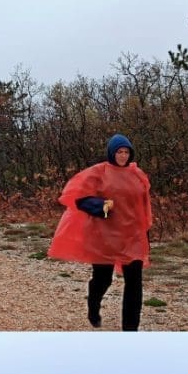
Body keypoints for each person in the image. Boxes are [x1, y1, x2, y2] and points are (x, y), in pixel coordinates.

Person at [48, 134, 152, 331]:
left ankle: (130, 331)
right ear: (112, 153)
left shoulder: (137, 174)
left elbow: (143, 205)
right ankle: (93, 306)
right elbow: (77, 198)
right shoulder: (98, 172)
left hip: (132, 237)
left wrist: (145, 233)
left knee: (134, 284)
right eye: (119, 152)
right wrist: (101, 205)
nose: (123, 156)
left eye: (126, 152)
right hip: (104, 236)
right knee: (103, 279)